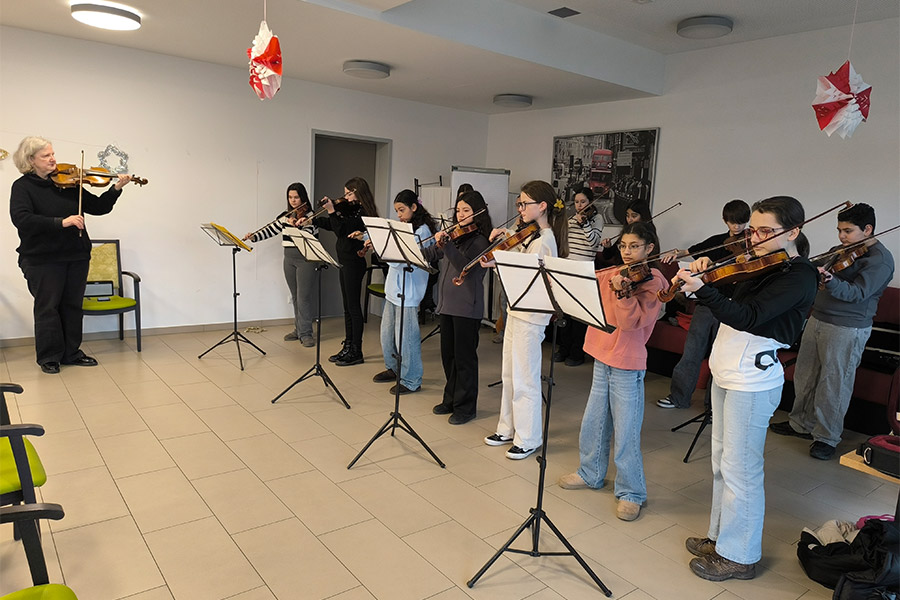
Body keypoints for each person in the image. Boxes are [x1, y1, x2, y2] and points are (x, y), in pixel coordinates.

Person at [674, 196, 817, 581]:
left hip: (753, 381)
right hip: (727, 372)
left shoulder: (799, 275)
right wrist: (709, 270)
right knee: (722, 462)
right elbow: (730, 293)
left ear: (794, 231)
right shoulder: (757, 264)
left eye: (766, 230)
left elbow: (748, 316)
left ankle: (741, 555)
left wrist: (704, 289)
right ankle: (720, 538)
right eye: (753, 229)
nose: (755, 237)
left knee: (742, 470)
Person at [557, 222, 666, 521]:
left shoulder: (653, 281)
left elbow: (631, 323)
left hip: (627, 361)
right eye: (623, 246)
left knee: (626, 430)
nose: (627, 252)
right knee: (593, 421)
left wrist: (623, 295)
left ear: (649, 248)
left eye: (634, 246)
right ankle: (590, 472)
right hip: (601, 353)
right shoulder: (617, 274)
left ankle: (632, 492)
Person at [770, 203, 894, 459]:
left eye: (847, 231)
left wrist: (830, 280)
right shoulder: (841, 250)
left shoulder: (880, 260)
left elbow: (858, 293)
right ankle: (800, 424)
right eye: (839, 230)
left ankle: (827, 437)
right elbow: (817, 269)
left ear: (868, 229)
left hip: (848, 327)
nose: (841, 237)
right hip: (818, 319)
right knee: (805, 375)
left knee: (833, 384)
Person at [9, 136, 133, 374]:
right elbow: (22, 219)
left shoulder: (70, 183)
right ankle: (49, 356)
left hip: (76, 255)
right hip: (41, 259)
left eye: (52, 153)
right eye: (46, 155)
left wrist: (115, 188)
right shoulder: (23, 187)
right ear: (30, 160)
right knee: (48, 308)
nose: (53, 159)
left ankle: (71, 353)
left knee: (72, 306)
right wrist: (61, 222)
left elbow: (98, 207)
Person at [483, 180, 568, 460]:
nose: (519, 209)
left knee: (525, 378)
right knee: (509, 374)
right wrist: (500, 255)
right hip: (516, 311)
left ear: (542, 206)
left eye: (524, 204)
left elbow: (527, 279)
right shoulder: (529, 236)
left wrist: (500, 262)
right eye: (518, 204)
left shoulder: (545, 240)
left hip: (531, 316)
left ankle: (529, 437)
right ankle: (507, 428)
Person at [657, 199, 750, 409]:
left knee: (721, 357)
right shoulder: (719, 241)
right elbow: (690, 251)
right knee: (692, 351)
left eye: (741, 222)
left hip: (732, 307)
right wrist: (675, 253)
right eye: (732, 222)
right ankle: (679, 397)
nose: (737, 227)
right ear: (725, 221)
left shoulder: (754, 244)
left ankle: (713, 406)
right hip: (707, 303)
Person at [421, 190, 493, 424]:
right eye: (459, 210)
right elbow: (432, 253)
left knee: (464, 359)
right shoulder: (456, 236)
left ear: (478, 213)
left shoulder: (480, 240)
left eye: (466, 211)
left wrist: (448, 244)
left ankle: (466, 407)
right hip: (447, 305)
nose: (460, 215)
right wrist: (412, 252)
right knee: (448, 356)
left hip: (466, 307)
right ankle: (450, 399)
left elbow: (466, 267)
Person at [304, 177, 379, 366]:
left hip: (354, 263)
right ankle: (348, 346)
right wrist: (313, 220)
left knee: (353, 307)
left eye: (349, 193)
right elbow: (333, 224)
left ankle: (357, 350)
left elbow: (341, 230)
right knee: (347, 307)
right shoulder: (350, 210)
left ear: (358, 193)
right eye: (344, 193)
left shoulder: (363, 213)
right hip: (344, 261)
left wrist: (331, 211)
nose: (344, 197)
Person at [369, 190, 436, 394]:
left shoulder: (423, 231)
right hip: (393, 288)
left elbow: (407, 260)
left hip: (409, 289)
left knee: (406, 337)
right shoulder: (402, 227)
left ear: (414, 207)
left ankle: (411, 378)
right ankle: (394, 368)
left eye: (402, 210)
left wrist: (383, 251)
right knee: (387, 333)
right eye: (397, 210)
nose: (398, 214)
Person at [243, 183, 318, 347]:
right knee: (295, 296)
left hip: (305, 260)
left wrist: (299, 225)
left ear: (303, 198)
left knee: (304, 297)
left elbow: (311, 236)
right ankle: (298, 330)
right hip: (288, 259)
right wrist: (253, 237)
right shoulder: (285, 216)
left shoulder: (311, 216)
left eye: (296, 197)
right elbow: (270, 230)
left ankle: (306, 333)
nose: (293, 201)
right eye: (290, 197)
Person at [554, 186, 603, 366]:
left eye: (583, 202)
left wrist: (585, 224)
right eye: (576, 202)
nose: (579, 205)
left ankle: (577, 353)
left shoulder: (597, 219)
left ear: (590, 202)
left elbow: (593, 243)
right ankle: (563, 349)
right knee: (564, 315)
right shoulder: (572, 219)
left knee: (578, 316)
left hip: (583, 272)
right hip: (567, 270)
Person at [597, 199, 657, 268]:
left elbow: (652, 259)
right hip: (622, 269)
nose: (629, 219)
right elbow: (608, 256)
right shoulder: (626, 232)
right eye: (627, 216)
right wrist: (607, 247)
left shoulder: (648, 232)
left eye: (634, 216)